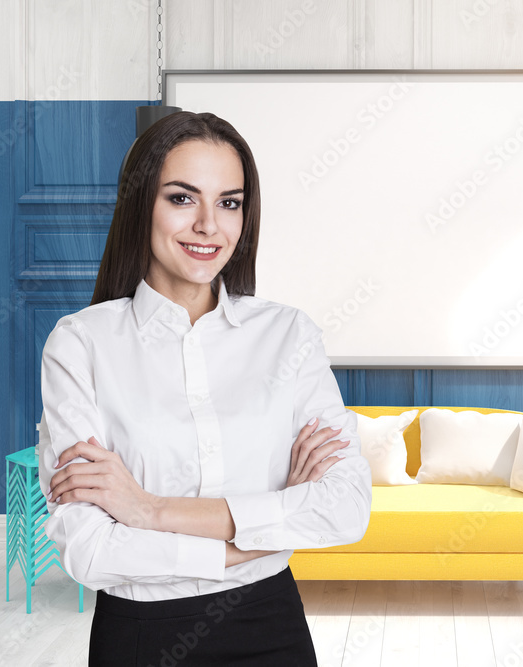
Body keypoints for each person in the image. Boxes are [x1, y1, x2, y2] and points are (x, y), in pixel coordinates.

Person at [35, 111, 372, 666]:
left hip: (273, 627)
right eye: (182, 198)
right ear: (142, 203)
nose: (209, 226)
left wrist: (148, 509)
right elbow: (91, 552)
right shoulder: (81, 344)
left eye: (230, 202)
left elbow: (345, 509)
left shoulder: (288, 336)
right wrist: (266, 528)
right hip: (140, 637)